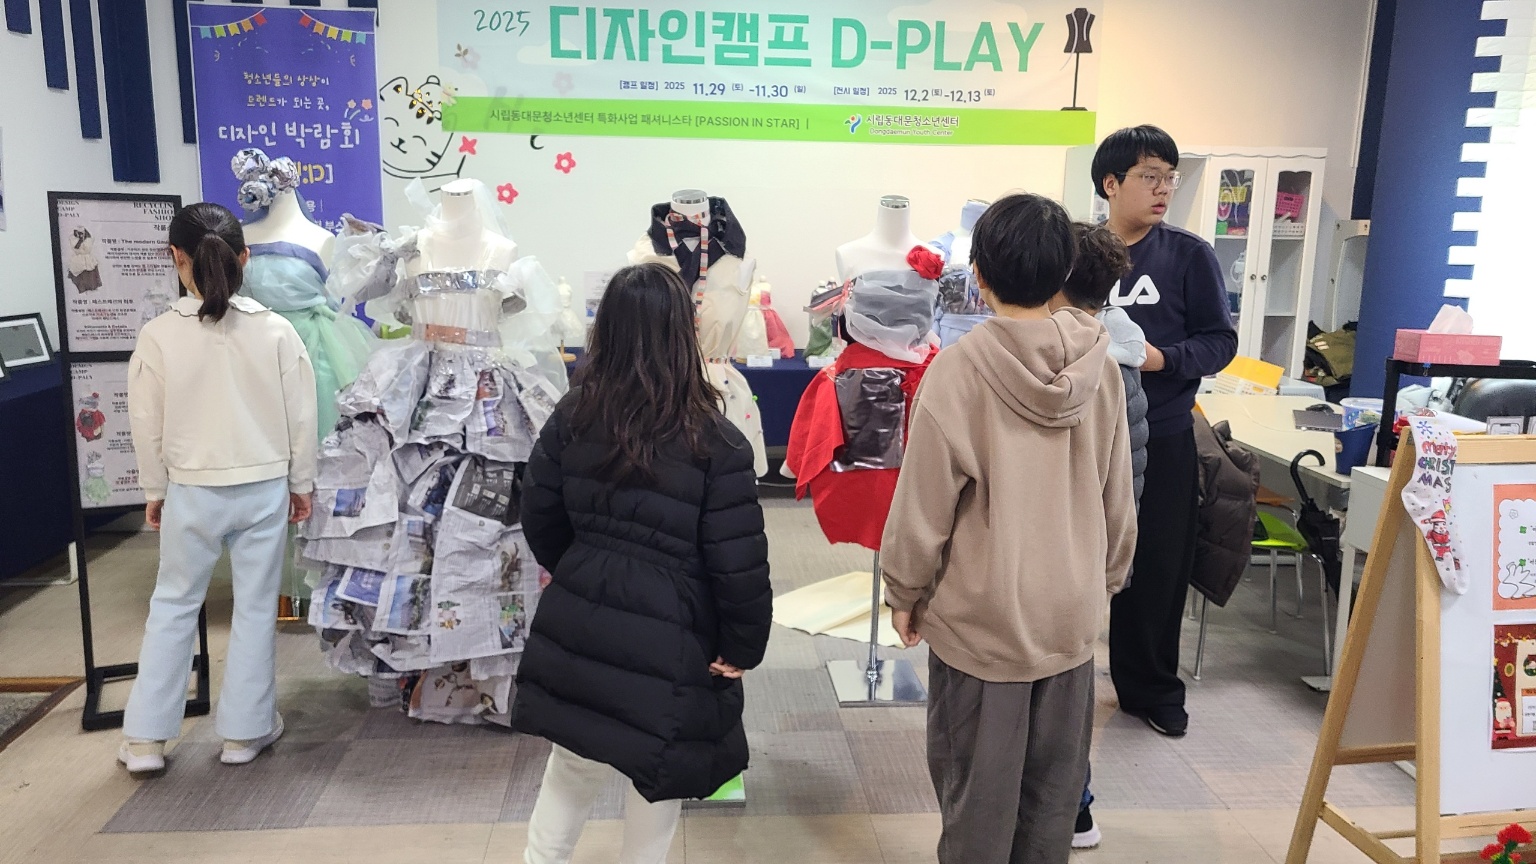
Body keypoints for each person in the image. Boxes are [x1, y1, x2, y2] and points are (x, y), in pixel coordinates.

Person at [881, 193, 1138, 864]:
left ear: (979, 274)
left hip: (985, 619)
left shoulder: (959, 370)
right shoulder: (1102, 368)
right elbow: (1117, 496)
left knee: (977, 805)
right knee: (1051, 804)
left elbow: (924, 505)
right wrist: (1105, 581)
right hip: (1071, 617)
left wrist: (903, 590)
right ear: (1062, 273)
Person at [512, 263, 773, 864]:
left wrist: (584, 570)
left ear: (606, 330)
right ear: (683, 332)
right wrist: (742, 646)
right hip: (672, 635)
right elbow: (737, 564)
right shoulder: (717, 442)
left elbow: (538, 514)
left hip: (581, 619)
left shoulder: (572, 416)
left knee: (571, 762)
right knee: (659, 773)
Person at [118, 202, 317, 774]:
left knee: (173, 605)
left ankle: (145, 741)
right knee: (255, 608)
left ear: (175, 258)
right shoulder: (277, 331)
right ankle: (244, 734)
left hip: (191, 488)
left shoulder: (158, 335)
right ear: (245, 258)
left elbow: (146, 423)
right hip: (264, 487)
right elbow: (301, 416)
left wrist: (154, 490)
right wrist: (301, 482)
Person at [1095, 125, 1238, 738]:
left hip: (1163, 433)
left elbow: (1220, 342)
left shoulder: (1187, 255)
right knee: (1070, 557)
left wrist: (1164, 360)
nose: (1162, 189)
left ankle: (1150, 687)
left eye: (1169, 178)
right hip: (1084, 433)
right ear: (1111, 183)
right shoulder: (1078, 252)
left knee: (1156, 565)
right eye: (1149, 176)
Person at [1050, 222, 1150, 850]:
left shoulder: (1070, 364)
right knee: (1071, 684)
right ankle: (1075, 809)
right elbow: (1128, 480)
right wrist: (1112, 567)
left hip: (1055, 553)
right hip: (1091, 558)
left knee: (1047, 692)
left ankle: (1070, 805)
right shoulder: (1125, 361)